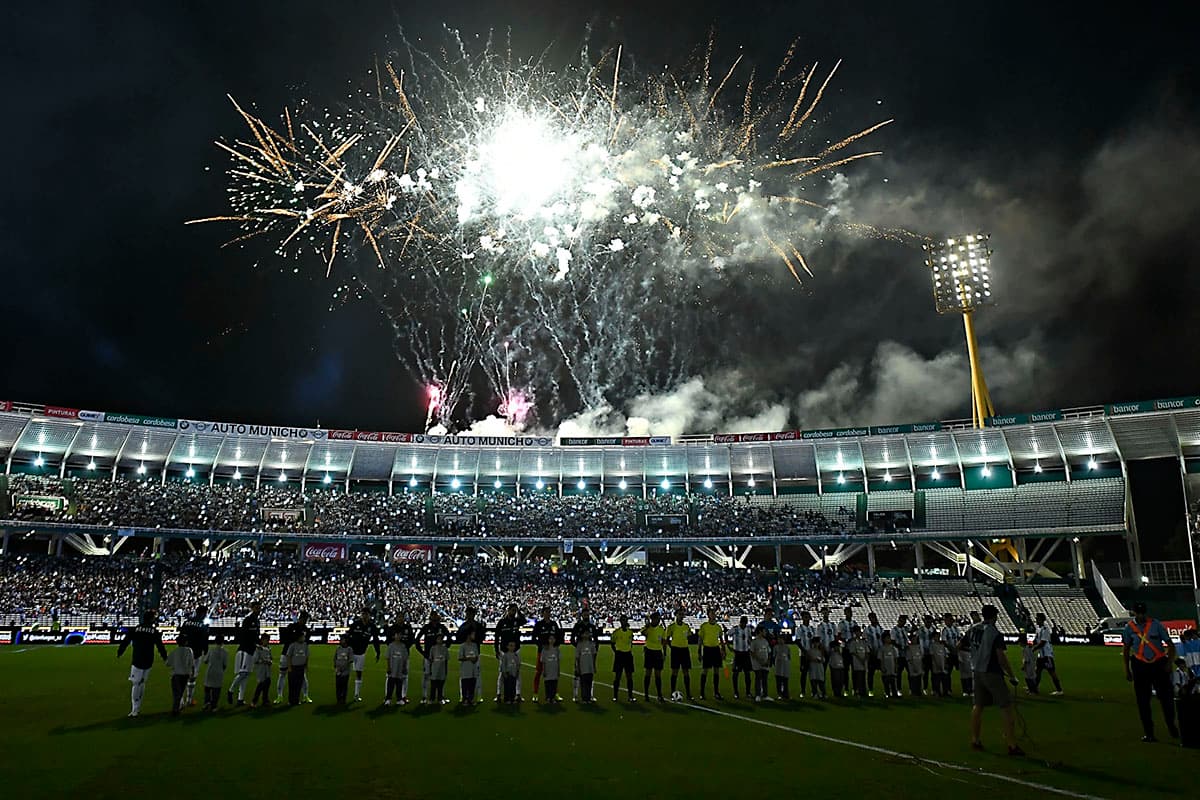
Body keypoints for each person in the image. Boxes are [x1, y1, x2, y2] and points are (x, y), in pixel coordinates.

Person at [961, 604, 1024, 756]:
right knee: (1006, 707)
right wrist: (1012, 675)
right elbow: (1001, 656)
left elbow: (959, 646)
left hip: (977, 671)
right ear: (994, 616)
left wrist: (976, 655)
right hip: (992, 672)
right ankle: (1011, 744)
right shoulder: (994, 632)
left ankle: (975, 739)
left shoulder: (973, 629)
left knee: (978, 706)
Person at [1122, 601, 1178, 742]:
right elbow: (1126, 648)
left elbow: (1170, 645)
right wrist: (1127, 669)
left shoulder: (1156, 624)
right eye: (1138, 612)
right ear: (1133, 612)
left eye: (1142, 612)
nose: (1140, 615)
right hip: (1140, 665)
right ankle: (1149, 733)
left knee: (1166, 699)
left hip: (1158, 664)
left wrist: (1169, 663)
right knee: (1143, 701)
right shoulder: (1129, 628)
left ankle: (1171, 725)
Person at [116, 610, 168, 718]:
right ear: (152, 619)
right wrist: (165, 657)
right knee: (142, 682)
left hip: (137, 659)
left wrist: (120, 651)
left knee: (136, 683)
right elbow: (160, 646)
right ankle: (137, 707)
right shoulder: (154, 631)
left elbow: (126, 641)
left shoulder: (136, 629)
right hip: (149, 659)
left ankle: (135, 709)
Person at [227, 600, 261, 707]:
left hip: (251, 650)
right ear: (252, 608)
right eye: (256, 607)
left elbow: (255, 636)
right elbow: (244, 635)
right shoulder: (248, 620)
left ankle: (240, 699)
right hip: (245, 650)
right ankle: (231, 691)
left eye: (259, 607)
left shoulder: (256, 620)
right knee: (243, 673)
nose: (258, 609)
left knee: (246, 675)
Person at [416, 610, 451, 704]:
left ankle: (441, 696)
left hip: (439, 657)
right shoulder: (426, 627)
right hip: (428, 657)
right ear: (431, 618)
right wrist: (423, 653)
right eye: (433, 617)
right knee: (426, 676)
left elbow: (449, 637)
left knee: (441, 676)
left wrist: (445, 649)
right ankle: (424, 696)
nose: (435, 620)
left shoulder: (441, 627)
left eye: (436, 618)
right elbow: (417, 639)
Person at [178, 604, 209, 708]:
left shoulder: (187, 622)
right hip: (196, 654)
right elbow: (205, 640)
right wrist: (206, 652)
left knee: (182, 676)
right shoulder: (203, 625)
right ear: (204, 613)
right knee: (192, 677)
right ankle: (189, 699)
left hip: (184, 653)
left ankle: (180, 701)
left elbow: (180, 636)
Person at [347, 609, 380, 703]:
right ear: (361, 615)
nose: (365, 616)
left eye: (366, 614)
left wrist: (377, 652)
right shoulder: (355, 624)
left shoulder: (372, 626)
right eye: (363, 614)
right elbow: (348, 635)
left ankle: (356, 694)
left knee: (359, 673)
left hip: (361, 652)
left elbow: (376, 640)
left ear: (369, 615)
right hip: (351, 651)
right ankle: (343, 693)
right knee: (346, 673)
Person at [277, 610, 311, 704]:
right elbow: (284, 638)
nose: (304, 621)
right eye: (303, 619)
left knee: (302, 676)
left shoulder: (306, 630)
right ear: (300, 618)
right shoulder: (291, 627)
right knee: (282, 674)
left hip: (298, 656)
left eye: (306, 619)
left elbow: (306, 643)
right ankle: (279, 695)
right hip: (286, 653)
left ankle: (305, 695)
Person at [494, 603, 524, 702]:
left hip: (516, 650)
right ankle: (498, 694)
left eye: (515, 610)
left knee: (517, 672)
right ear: (508, 610)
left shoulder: (517, 621)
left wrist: (519, 611)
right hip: (504, 651)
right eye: (512, 610)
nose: (513, 612)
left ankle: (518, 694)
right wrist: (496, 650)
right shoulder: (502, 622)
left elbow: (524, 620)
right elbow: (497, 636)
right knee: (502, 673)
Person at [531, 605, 562, 701]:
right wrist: (541, 645)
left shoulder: (554, 624)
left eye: (549, 612)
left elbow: (559, 636)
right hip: (542, 652)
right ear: (543, 613)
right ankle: (535, 693)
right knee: (539, 672)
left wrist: (556, 645)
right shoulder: (539, 624)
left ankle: (555, 693)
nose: (548, 614)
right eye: (546, 612)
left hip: (553, 652)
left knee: (553, 672)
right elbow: (533, 638)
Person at [570, 609, 601, 702]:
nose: (586, 615)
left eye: (587, 614)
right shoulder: (578, 625)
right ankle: (575, 695)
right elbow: (572, 638)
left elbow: (596, 640)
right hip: (580, 652)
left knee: (589, 675)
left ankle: (590, 695)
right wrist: (579, 646)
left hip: (590, 652)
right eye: (584, 614)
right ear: (582, 615)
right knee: (577, 673)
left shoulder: (592, 626)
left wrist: (595, 650)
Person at [697, 607, 726, 700]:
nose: (713, 615)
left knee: (716, 671)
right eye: (711, 613)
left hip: (716, 649)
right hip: (707, 649)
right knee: (705, 671)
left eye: (714, 613)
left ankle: (716, 692)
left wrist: (723, 649)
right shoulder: (704, 626)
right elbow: (700, 639)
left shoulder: (718, 627)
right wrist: (699, 651)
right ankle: (702, 692)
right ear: (708, 615)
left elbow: (721, 639)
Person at [1033, 613, 1064, 695]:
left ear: (1041, 619)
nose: (1036, 620)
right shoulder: (1039, 629)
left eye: (1037, 618)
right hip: (1041, 654)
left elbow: (1043, 642)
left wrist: (1034, 649)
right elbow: (1037, 640)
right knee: (1037, 671)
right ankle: (1034, 688)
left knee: (1051, 672)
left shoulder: (1045, 629)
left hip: (1046, 654)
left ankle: (1059, 690)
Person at [666, 609, 693, 701]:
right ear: (676, 615)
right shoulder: (671, 627)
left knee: (686, 672)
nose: (681, 616)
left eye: (682, 614)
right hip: (675, 650)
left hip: (685, 650)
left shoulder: (686, 626)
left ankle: (688, 693)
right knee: (675, 672)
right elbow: (667, 639)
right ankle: (673, 692)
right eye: (679, 614)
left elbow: (689, 636)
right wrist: (672, 647)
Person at [641, 611, 667, 702]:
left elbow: (664, 642)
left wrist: (665, 653)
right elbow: (643, 633)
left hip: (658, 652)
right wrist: (647, 626)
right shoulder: (648, 628)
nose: (659, 620)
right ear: (653, 619)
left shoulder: (661, 629)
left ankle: (659, 694)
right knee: (648, 673)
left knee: (658, 675)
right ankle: (646, 694)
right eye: (657, 619)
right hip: (649, 651)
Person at [610, 614, 636, 702]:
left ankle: (630, 696)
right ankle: (615, 696)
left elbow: (631, 643)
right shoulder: (616, 632)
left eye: (625, 620)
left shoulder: (630, 632)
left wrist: (628, 650)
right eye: (623, 620)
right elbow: (612, 643)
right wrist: (616, 651)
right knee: (618, 676)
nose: (624, 622)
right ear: (620, 622)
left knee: (629, 676)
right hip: (619, 655)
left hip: (628, 655)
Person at [166, 639, 196, 716]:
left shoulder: (174, 651)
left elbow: (168, 663)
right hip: (185, 675)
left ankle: (175, 709)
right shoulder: (189, 650)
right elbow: (192, 663)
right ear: (186, 642)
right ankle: (177, 708)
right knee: (181, 692)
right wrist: (192, 673)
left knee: (177, 693)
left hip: (176, 675)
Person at [729, 615, 753, 699]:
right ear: (740, 622)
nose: (744, 625)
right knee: (736, 673)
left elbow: (749, 639)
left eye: (745, 623)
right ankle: (736, 692)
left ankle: (748, 692)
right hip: (738, 653)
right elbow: (727, 634)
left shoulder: (748, 629)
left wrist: (751, 646)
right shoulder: (735, 629)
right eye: (743, 623)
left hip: (746, 653)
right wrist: (729, 646)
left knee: (747, 673)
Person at [284, 628, 309, 706]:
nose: (304, 638)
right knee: (292, 685)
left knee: (299, 684)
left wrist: (306, 665)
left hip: (301, 667)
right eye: (302, 636)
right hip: (294, 667)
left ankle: (297, 700)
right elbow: (288, 656)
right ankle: (291, 700)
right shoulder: (293, 645)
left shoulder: (305, 645)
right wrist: (289, 667)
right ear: (299, 637)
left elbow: (307, 656)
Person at [203, 637, 229, 711]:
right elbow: (225, 664)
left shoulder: (211, 650)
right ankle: (214, 706)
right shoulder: (225, 651)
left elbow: (205, 661)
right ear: (223, 642)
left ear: (215, 641)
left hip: (210, 671)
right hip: (219, 672)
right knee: (216, 689)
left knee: (207, 688)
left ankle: (206, 703)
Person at [385, 630, 409, 706]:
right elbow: (388, 657)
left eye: (400, 635)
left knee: (399, 685)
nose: (398, 636)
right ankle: (388, 699)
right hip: (392, 668)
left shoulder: (403, 646)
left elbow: (405, 658)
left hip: (400, 669)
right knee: (390, 684)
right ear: (394, 636)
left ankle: (399, 699)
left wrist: (404, 667)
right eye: (397, 635)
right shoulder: (391, 646)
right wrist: (388, 667)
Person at [794, 611, 815, 698]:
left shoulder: (812, 629)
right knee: (804, 673)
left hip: (812, 654)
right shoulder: (799, 629)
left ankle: (814, 691)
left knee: (813, 673)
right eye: (805, 617)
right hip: (803, 655)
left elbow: (815, 641)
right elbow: (797, 641)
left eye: (808, 617)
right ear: (802, 618)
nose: (807, 619)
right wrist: (805, 651)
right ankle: (803, 691)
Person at [865, 612, 885, 697]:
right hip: (872, 654)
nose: (873, 619)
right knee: (871, 673)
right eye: (871, 618)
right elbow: (866, 642)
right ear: (869, 619)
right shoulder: (868, 629)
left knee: (884, 672)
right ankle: (870, 690)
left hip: (880, 654)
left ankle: (886, 690)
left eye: (874, 617)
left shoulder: (880, 629)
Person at [749, 626, 771, 701]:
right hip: (757, 664)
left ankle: (765, 694)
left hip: (765, 663)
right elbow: (752, 652)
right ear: (760, 632)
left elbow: (769, 651)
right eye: (764, 631)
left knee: (765, 678)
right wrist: (759, 660)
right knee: (758, 678)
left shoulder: (765, 641)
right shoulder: (754, 641)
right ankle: (758, 695)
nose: (765, 632)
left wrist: (768, 661)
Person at [459, 629, 480, 705]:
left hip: (473, 669)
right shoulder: (462, 646)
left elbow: (477, 656)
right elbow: (460, 657)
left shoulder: (475, 645)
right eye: (473, 634)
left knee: (472, 685)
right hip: (465, 669)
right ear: (468, 635)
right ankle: (465, 699)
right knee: (465, 685)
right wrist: (469, 658)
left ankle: (471, 699)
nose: (474, 636)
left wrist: (475, 659)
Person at [847, 626, 870, 698]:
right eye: (857, 632)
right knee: (857, 676)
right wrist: (860, 659)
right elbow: (853, 652)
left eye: (859, 632)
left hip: (864, 662)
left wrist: (865, 659)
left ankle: (863, 691)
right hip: (857, 662)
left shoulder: (864, 642)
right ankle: (857, 690)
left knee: (863, 677)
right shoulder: (853, 642)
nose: (858, 633)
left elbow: (867, 651)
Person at [576, 628, 597, 703]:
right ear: (581, 635)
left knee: (589, 682)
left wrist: (594, 666)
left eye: (588, 633)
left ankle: (588, 697)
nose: (586, 635)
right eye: (585, 633)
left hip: (590, 666)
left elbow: (594, 655)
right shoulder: (580, 644)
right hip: (583, 666)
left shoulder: (592, 644)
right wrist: (578, 667)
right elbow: (577, 657)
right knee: (583, 683)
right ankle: (584, 698)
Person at [251, 634, 272, 707]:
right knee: (260, 686)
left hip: (267, 670)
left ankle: (265, 700)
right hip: (261, 670)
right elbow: (255, 660)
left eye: (268, 640)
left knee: (267, 684)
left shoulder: (269, 648)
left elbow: (270, 658)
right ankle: (254, 701)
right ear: (262, 640)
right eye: (266, 640)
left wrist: (269, 662)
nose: (267, 641)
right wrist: (263, 661)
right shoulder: (258, 649)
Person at [428, 634, 449, 705]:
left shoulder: (445, 649)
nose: (440, 640)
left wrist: (446, 670)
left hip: (442, 669)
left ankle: (440, 698)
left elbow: (446, 660)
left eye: (441, 639)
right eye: (438, 639)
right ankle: (432, 698)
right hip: (434, 669)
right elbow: (430, 660)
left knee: (440, 685)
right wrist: (430, 669)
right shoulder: (433, 648)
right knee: (433, 685)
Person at [333, 636, 354, 705]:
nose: (341, 641)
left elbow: (350, 660)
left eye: (342, 640)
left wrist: (344, 667)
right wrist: (336, 667)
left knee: (344, 686)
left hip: (345, 671)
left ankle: (343, 699)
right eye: (341, 640)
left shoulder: (349, 649)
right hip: (338, 671)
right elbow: (335, 658)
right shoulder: (338, 649)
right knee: (338, 686)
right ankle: (338, 699)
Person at [542, 634, 562, 703]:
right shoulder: (544, 650)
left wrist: (558, 670)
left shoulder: (557, 649)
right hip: (547, 669)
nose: (552, 640)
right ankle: (548, 697)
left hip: (554, 670)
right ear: (548, 640)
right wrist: (544, 670)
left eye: (553, 639)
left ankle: (552, 698)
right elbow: (543, 661)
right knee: (547, 684)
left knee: (554, 684)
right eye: (550, 639)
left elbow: (558, 660)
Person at [879, 632, 900, 699]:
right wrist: (882, 667)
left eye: (889, 638)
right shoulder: (882, 649)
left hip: (892, 668)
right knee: (886, 682)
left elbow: (895, 658)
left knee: (893, 682)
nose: (889, 639)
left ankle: (894, 693)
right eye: (887, 638)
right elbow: (881, 659)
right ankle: (887, 693)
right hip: (885, 668)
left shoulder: (893, 648)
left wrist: (896, 666)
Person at [500, 640, 521, 704]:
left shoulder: (516, 656)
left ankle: (512, 698)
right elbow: (503, 665)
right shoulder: (505, 655)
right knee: (507, 687)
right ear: (507, 647)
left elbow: (518, 664)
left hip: (514, 673)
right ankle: (506, 699)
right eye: (510, 646)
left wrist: (517, 672)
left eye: (513, 646)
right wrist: (504, 673)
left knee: (513, 687)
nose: (512, 647)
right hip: (507, 673)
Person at [930, 631, 950, 697]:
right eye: (936, 636)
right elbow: (932, 656)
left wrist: (945, 663)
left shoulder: (942, 645)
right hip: (936, 665)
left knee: (944, 679)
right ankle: (937, 692)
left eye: (938, 636)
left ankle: (945, 692)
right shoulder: (932, 645)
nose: (937, 638)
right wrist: (935, 664)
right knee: (936, 680)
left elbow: (945, 655)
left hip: (943, 664)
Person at [773, 633, 791, 700]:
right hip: (778, 665)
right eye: (779, 639)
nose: (780, 641)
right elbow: (774, 656)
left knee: (785, 681)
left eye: (781, 639)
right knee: (779, 681)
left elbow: (789, 657)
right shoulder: (776, 647)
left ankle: (786, 694)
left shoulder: (787, 647)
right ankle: (779, 694)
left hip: (785, 665)